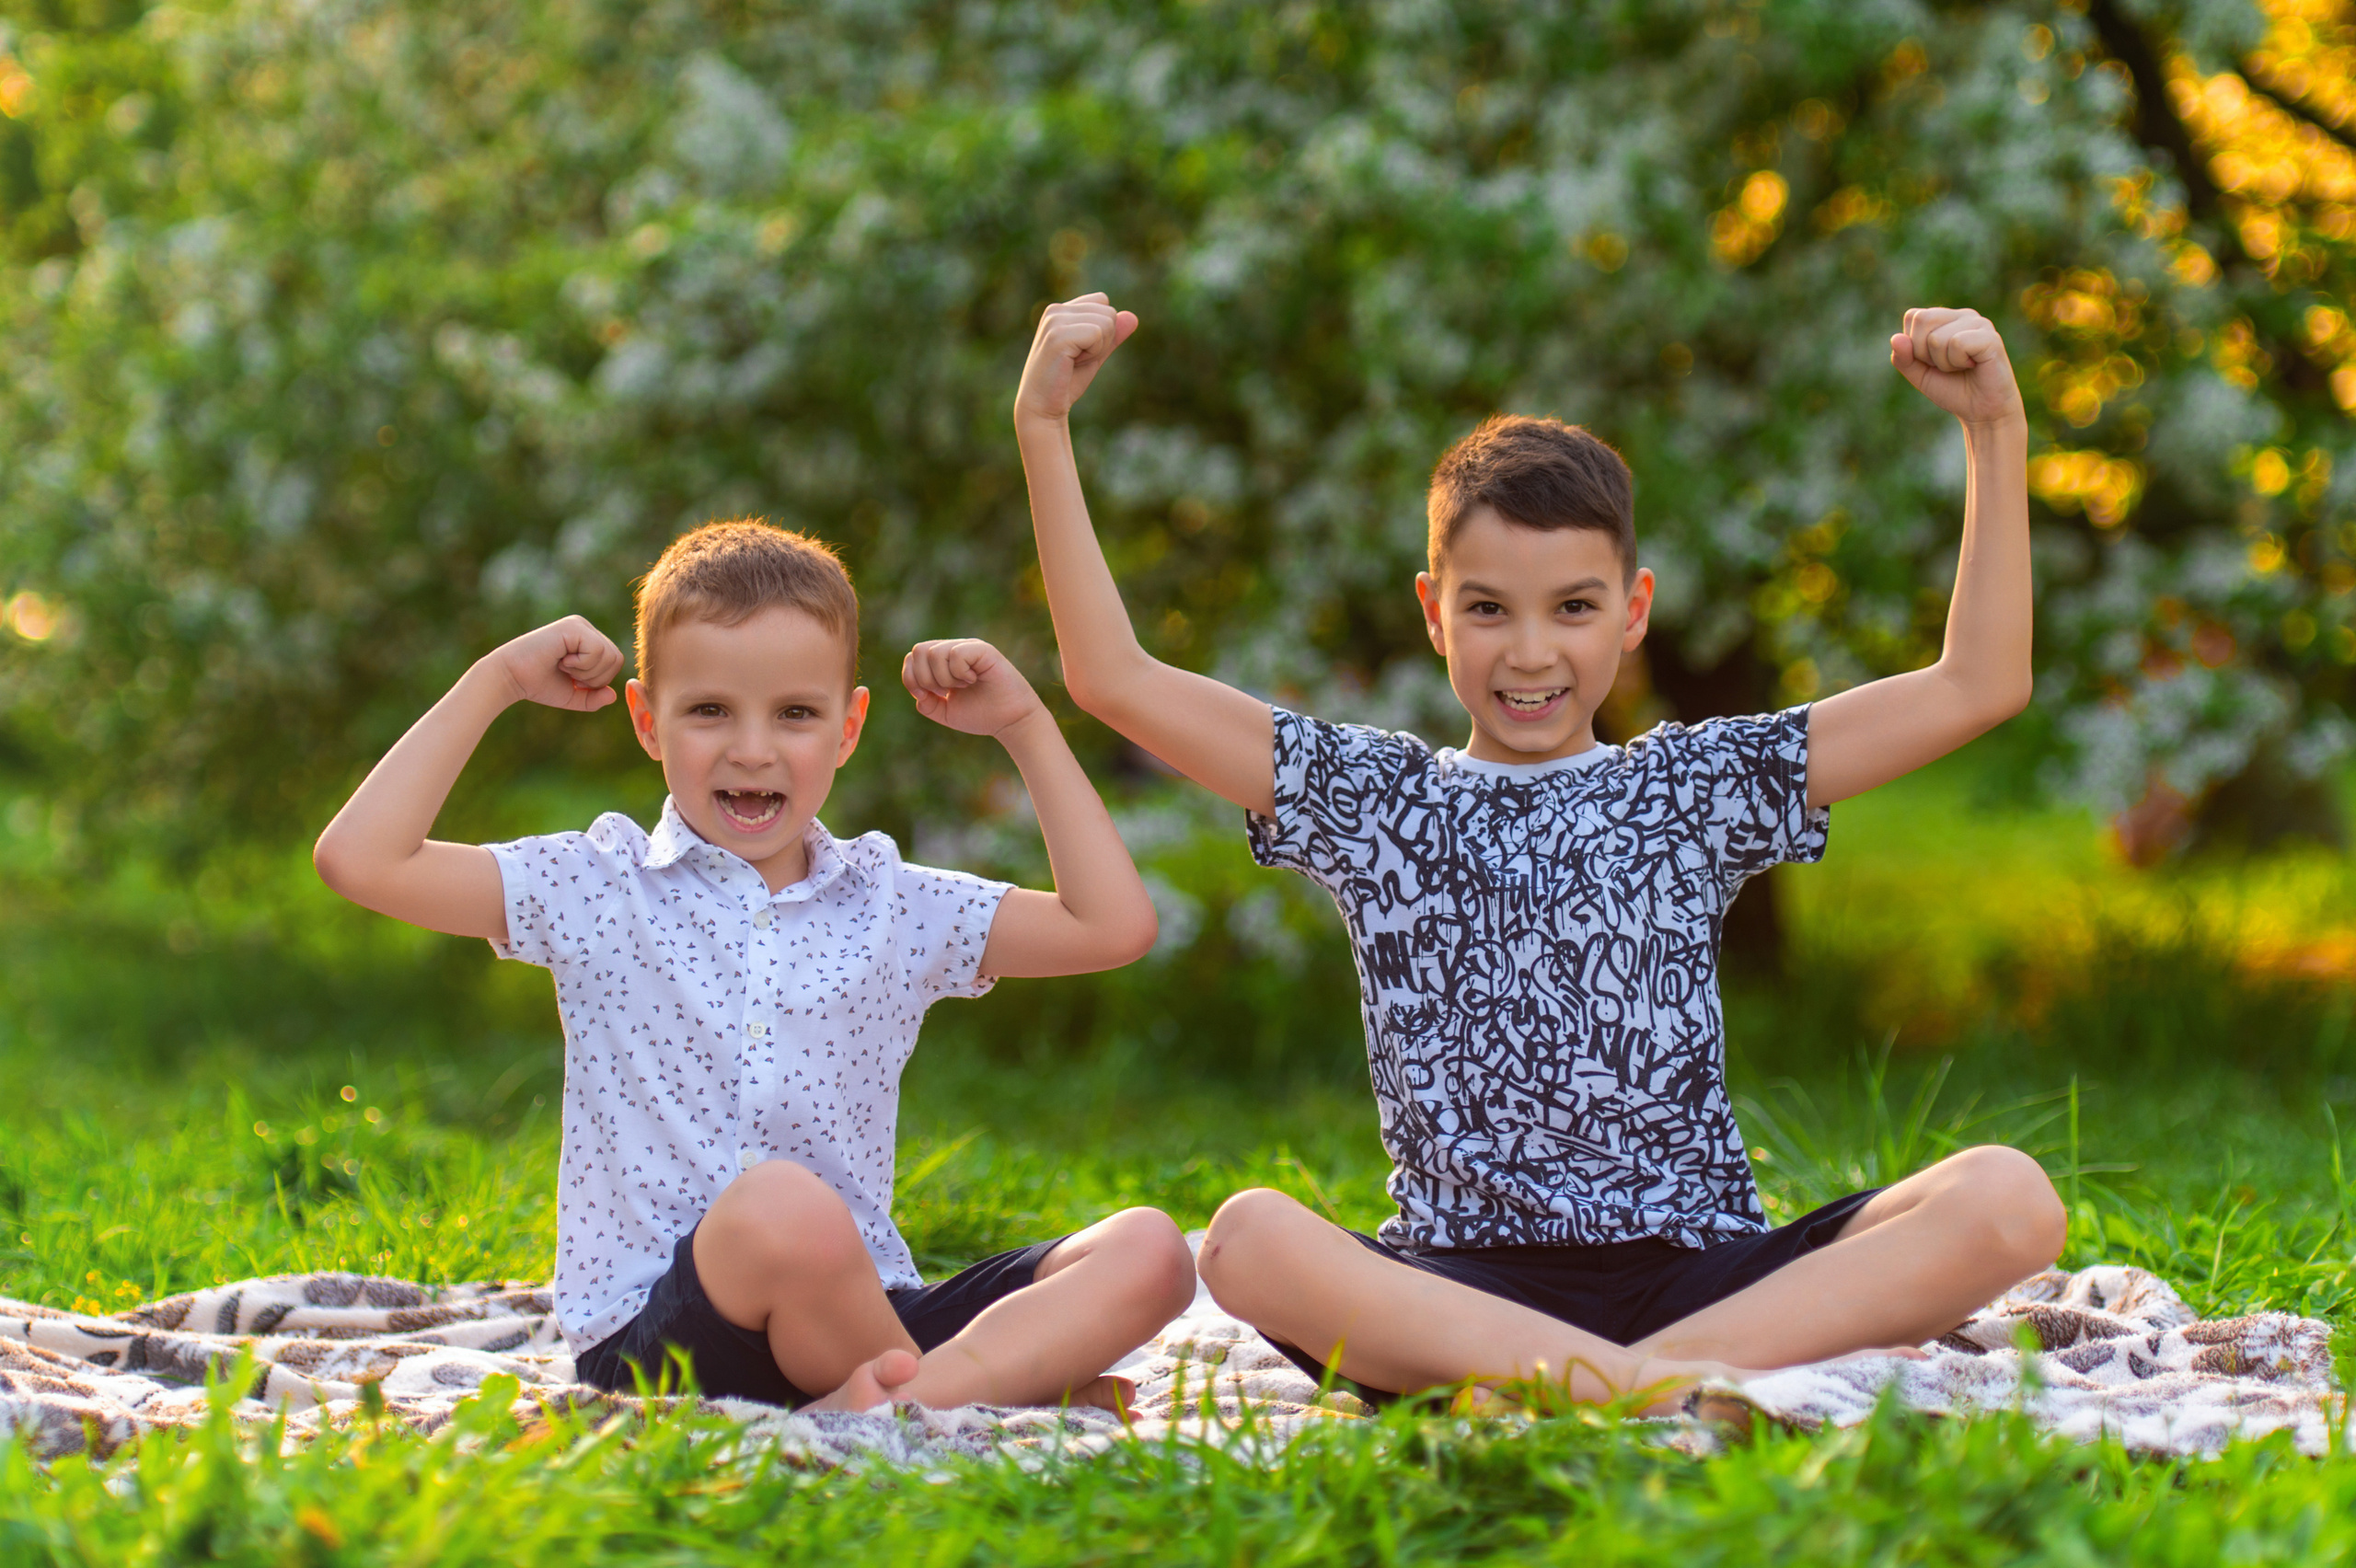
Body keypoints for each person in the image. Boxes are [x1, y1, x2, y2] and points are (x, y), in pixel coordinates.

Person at [1010, 293, 2065, 1411]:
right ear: (1433, 612)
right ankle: (1647, 1390)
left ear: (1632, 609)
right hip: (1464, 1285)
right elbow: (1111, 679)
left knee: (2009, 1197)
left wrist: (1995, 432)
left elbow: (1978, 684)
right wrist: (1043, 426)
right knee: (1245, 1241)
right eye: (1487, 609)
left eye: (1571, 607)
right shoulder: (1374, 797)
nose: (1529, 652)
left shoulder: (1690, 785)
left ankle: (1615, 1383)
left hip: (1701, 1273)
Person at [314, 519, 1195, 1412]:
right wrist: (496, 680)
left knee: (1152, 1251)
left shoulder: (890, 902)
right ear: (646, 721)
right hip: (660, 1339)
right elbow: (361, 858)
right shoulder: (599, 885)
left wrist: (1023, 723)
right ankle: (971, 1396)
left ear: (847, 728)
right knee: (782, 1205)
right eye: (709, 711)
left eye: (795, 714)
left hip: (861, 1310)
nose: (752, 749)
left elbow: (1110, 926)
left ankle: (904, 1397)